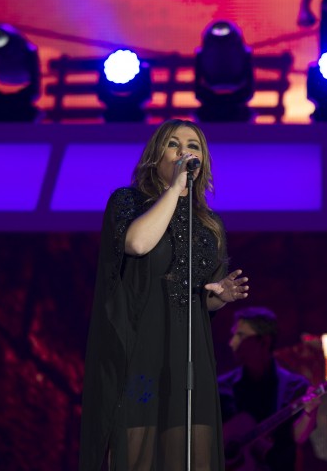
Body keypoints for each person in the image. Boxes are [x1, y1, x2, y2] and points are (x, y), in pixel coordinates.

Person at [79, 119, 250, 471]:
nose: (184, 151)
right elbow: (138, 243)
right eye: (173, 144)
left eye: (193, 146)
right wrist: (175, 189)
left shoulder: (209, 225)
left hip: (188, 355)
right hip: (139, 349)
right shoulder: (128, 201)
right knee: (137, 458)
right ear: (156, 155)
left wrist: (220, 296)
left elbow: (201, 296)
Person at [218, 307, 321, 471]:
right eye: (234, 335)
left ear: (264, 341)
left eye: (241, 335)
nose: (232, 343)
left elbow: (298, 437)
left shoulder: (295, 386)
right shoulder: (222, 387)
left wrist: (310, 412)